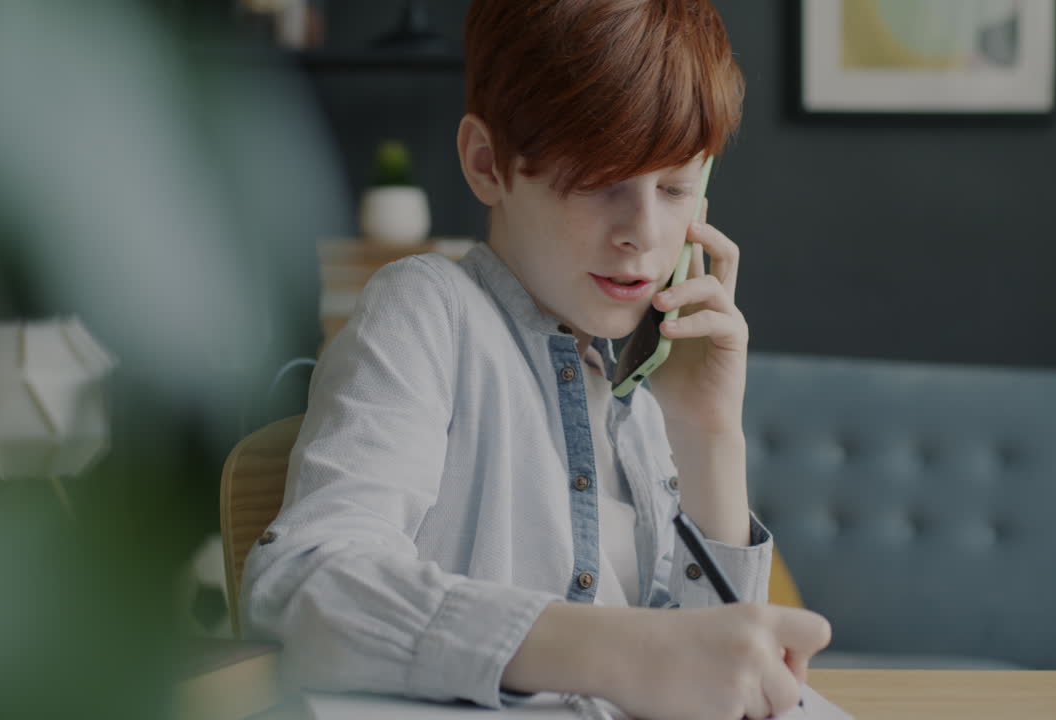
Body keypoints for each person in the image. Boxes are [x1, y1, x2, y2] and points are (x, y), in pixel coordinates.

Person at [243, 1, 832, 718]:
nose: (645, 235)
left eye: (676, 188)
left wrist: (708, 434)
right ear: (489, 165)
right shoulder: (429, 312)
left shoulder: (643, 409)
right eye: (601, 180)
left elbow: (726, 682)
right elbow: (304, 588)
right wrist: (625, 652)